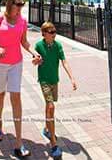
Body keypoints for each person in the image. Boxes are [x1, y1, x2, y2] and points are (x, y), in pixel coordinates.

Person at [0, 0, 41, 158]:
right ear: (10, 5)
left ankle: (19, 142)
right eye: (18, 5)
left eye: (21, 5)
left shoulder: (22, 21)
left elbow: (24, 42)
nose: (20, 8)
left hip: (16, 64)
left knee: (16, 97)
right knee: (0, 94)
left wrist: (33, 52)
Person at [33, 21, 77, 158]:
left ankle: (46, 128)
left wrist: (72, 78)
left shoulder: (58, 45)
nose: (54, 34)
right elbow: (34, 59)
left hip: (54, 80)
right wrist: (35, 61)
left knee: (49, 107)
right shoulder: (39, 45)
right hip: (44, 80)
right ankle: (53, 143)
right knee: (51, 107)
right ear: (44, 33)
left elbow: (64, 61)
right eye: (51, 32)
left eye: (54, 32)